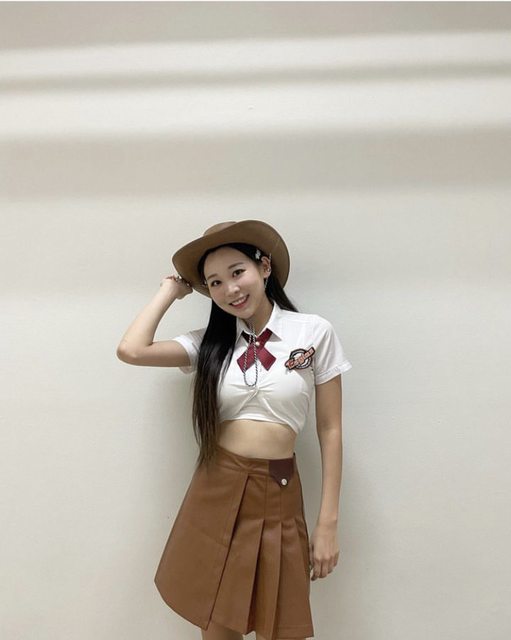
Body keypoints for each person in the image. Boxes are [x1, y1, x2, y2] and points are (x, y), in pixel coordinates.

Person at [116, 220, 352, 640]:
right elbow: (132, 350)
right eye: (214, 282)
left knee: (282, 624)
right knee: (218, 625)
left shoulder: (313, 332)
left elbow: (330, 428)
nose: (230, 289)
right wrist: (170, 290)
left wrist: (327, 523)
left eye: (237, 272)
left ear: (265, 267)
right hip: (217, 487)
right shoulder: (209, 342)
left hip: (278, 489)